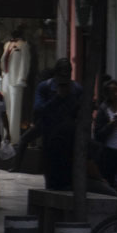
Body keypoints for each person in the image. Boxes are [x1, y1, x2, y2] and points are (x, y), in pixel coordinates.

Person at [14, 58, 83, 188]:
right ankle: (16, 166)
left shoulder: (76, 89)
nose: (64, 80)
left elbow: (81, 113)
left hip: (69, 136)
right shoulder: (45, 87)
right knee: (51, 173)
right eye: (62, 75)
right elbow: (39, 109)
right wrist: (58, 98)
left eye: (67, 75)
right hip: (50, 133)